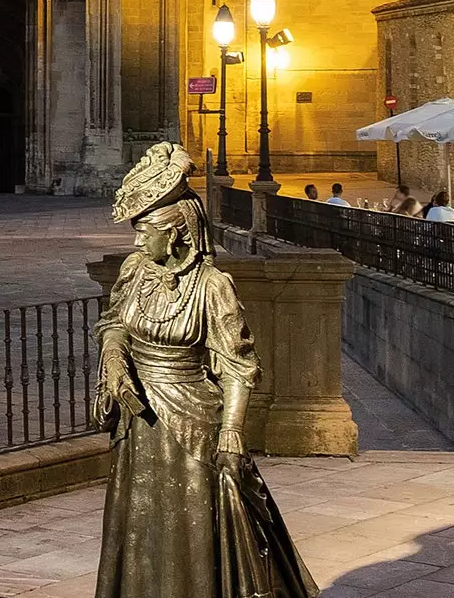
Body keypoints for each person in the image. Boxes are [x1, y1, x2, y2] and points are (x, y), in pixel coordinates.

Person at [93, 143, 317, 598]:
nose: (137, 241)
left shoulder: (213, 287)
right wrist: (115, 355)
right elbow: (114, 321)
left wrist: (232, 433)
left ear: (174, 233)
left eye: (146, 231)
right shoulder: (136, 270)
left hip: (193, 423)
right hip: (140, 424)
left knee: (188, 522)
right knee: (141, 521)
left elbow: (238, 365)